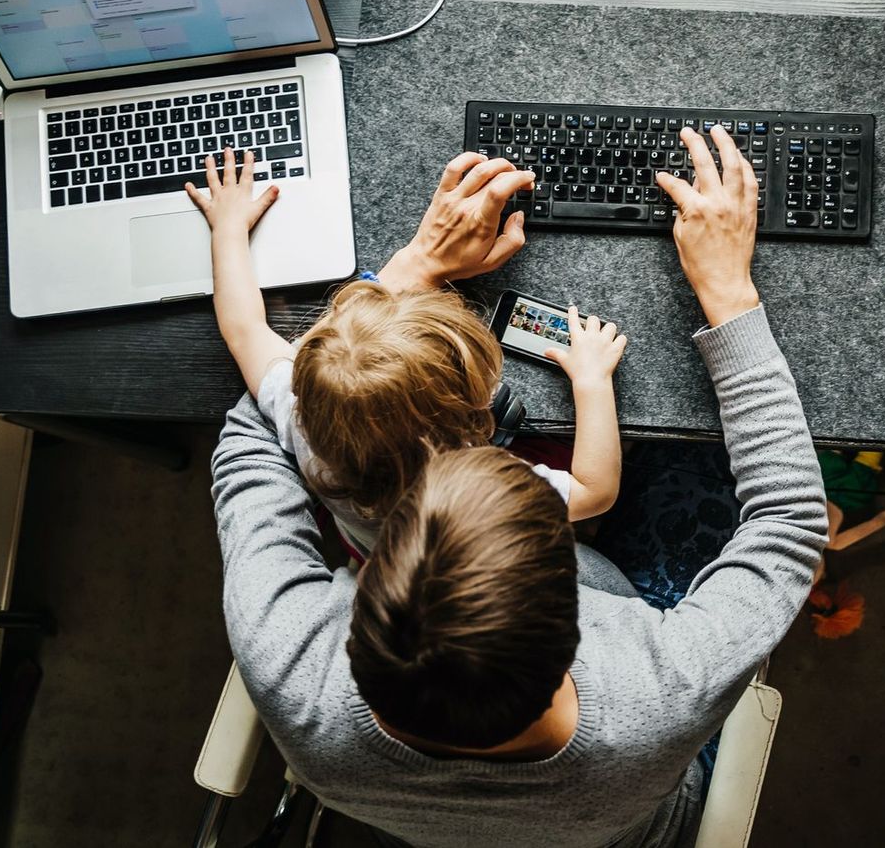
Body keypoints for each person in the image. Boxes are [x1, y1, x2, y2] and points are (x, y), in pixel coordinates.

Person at [207, 130, 828, 848]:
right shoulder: (660, 688)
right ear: (578, 623)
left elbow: (257, 427)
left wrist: (411, 274)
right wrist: (729, 291)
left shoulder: (284, 659)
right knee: (694, 467)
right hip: (641, 819)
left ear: (364, 588)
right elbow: (787, 523)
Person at [184, 149, 628, 555]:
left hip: (374, 547)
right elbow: (595, 491)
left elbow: (243, 328)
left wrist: (227, 228)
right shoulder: (482, 488)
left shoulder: (298, 410)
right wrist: (592, 381)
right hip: (467, 545)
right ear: (478, 411)